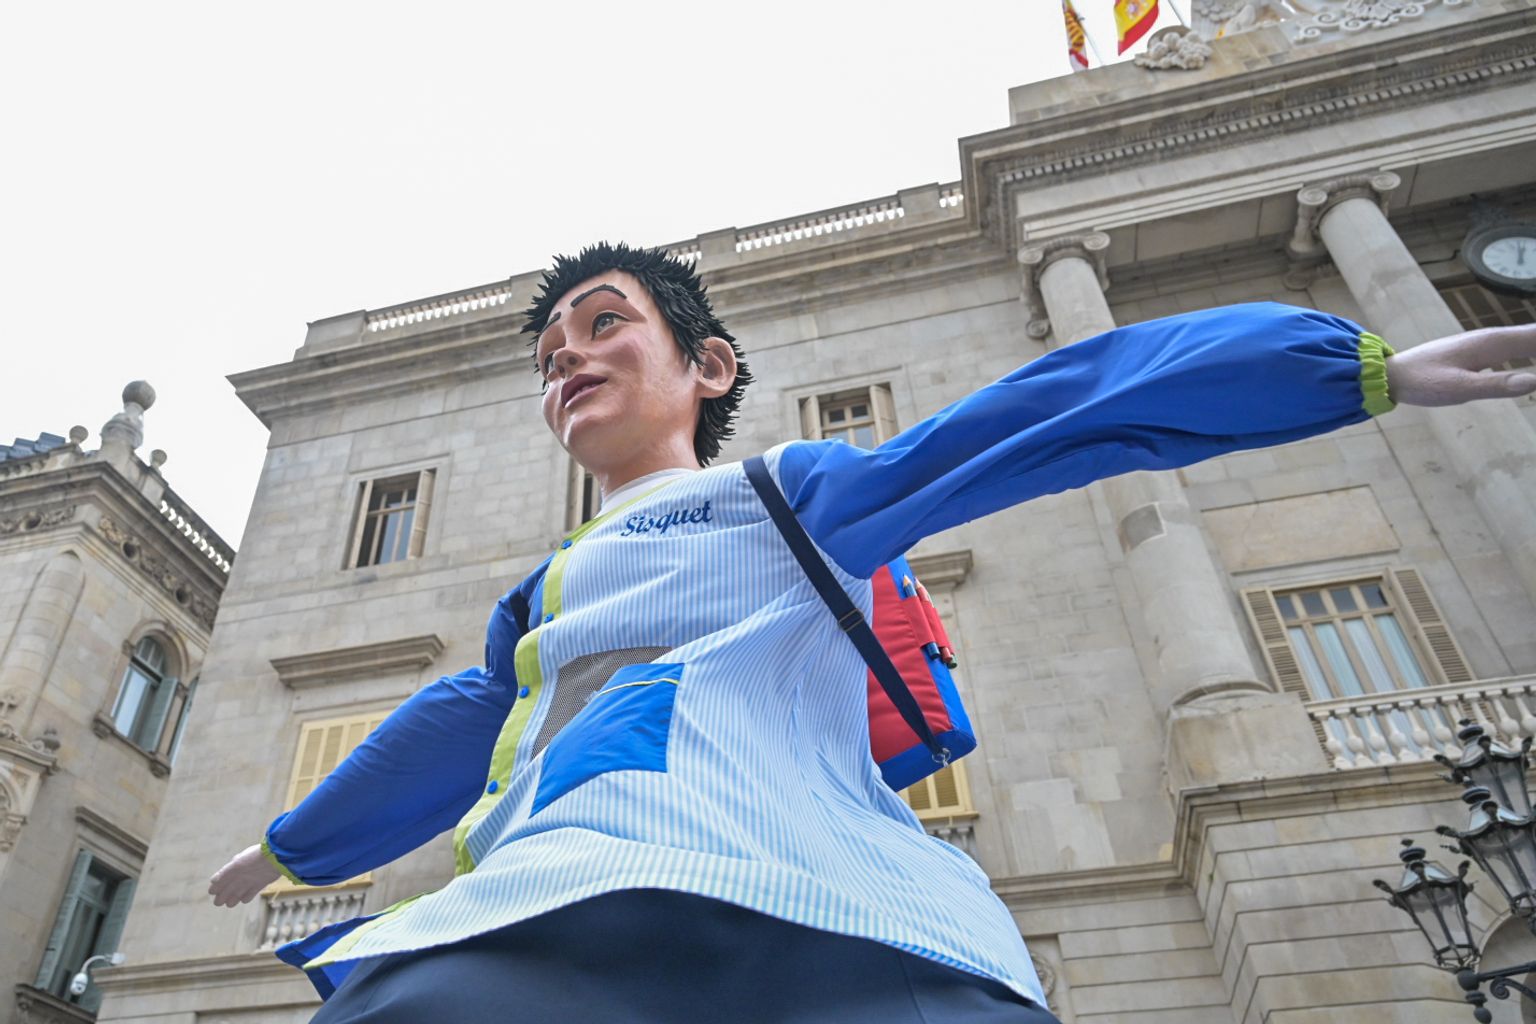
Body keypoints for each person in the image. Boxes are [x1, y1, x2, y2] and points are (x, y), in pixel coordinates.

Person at [209, 242, 1536, 1023]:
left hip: (811, 916)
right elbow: (456, 724)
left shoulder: (782, 495)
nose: (567, 355)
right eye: (550, 347)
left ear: (708, 367)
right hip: (549, 907)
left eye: (603, 322)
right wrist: (289, 844)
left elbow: (1041, 418)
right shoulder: (544, 592)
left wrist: (1354, 370)